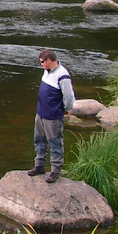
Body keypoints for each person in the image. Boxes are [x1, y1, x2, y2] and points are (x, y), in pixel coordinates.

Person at [28, 49, 75, 183]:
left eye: (42, 62)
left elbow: (69, 96)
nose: (41, 64)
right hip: (41, 113)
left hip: (53, 115)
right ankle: (39, 165)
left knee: (55, 143)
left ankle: (55, 170)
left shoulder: (63, 75)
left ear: (49, 60)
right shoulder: (46, 71)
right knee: (39, 140)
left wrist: (66, 109)